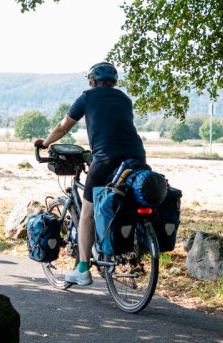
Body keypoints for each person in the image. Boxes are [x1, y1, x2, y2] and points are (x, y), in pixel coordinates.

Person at [34, 61, 146, 286]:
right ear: (114, 82)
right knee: (123, 198)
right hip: (136, 156)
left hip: (105, 159)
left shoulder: (87, 97)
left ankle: (83, 269)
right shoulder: (124, 99)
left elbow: (64, 126)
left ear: (93, 80)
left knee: (87, 212)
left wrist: (45, 143)